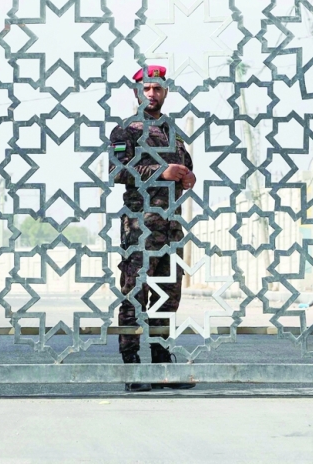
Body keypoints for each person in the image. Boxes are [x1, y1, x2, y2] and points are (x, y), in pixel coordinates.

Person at [109, 65, 197, 393]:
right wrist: (162, 172)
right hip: (140, 227)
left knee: (167, 297)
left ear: (165, 92)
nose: (151, 94)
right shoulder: (126, 130)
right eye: (146, 88)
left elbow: (185, 166)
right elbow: (117, 171)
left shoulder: (173, 131)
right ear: (137, 91)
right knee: (135, 294)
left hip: (171, 228)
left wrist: (188, 176)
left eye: (157, 88)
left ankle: (161, 364)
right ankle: (132, 365)